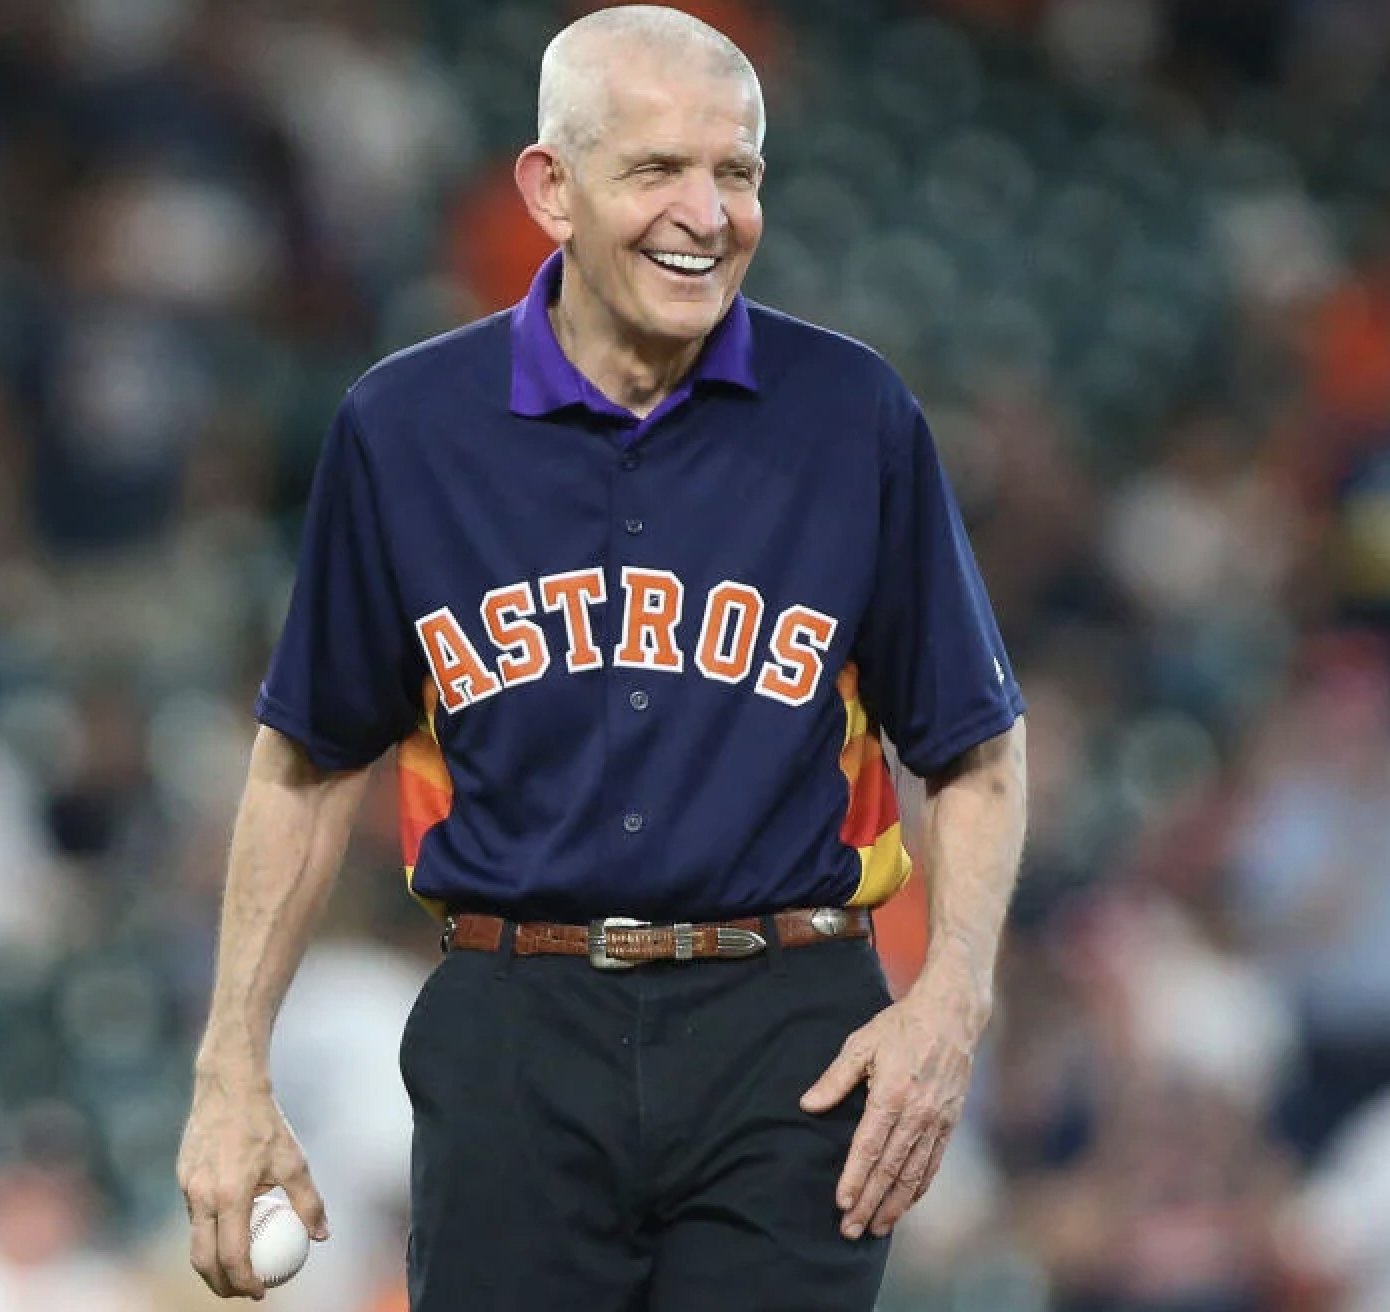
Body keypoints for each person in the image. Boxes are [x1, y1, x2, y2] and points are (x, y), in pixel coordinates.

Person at [176, 6, 1027, 1309]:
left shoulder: (848, 413)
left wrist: (947, 1007)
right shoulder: (407, 427)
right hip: (515, 1025)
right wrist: (230, 1072)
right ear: (549, 188)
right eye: (655, 170)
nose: (706, 211)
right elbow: (306, 760)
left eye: (734, 171)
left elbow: (971, 742)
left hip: (786, 1030)